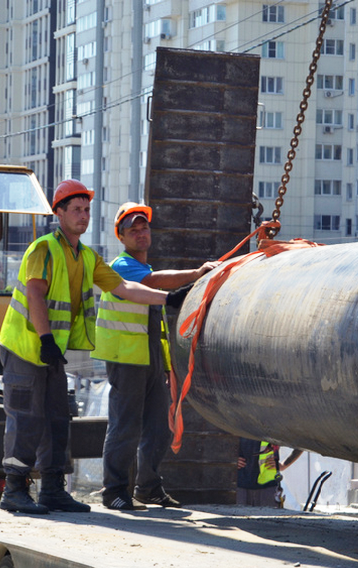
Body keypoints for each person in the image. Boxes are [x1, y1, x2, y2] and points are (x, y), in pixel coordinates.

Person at [0, 182, 190, 515]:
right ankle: (13, 489)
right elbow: (35, 293)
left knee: (58, 421)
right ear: (59, 213)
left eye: (87, 210)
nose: (83, 216)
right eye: (76, 209)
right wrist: (45, 339)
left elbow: (125, 287)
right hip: (26, 348)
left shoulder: (86, 257)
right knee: (26, 419)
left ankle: (52, 490)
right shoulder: (44, 249)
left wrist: (168, 299)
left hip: (50, 351)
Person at [92, 202, 219, 510]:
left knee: (159, 427)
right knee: (125, 426)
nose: (140, 233)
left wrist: (163, 363)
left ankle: (148, 487)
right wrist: (197, 274)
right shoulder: (122, 267)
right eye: (133, 230)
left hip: (149, 359)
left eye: (144, 228)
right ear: (121, 237)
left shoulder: (143, 268)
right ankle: (114, 491)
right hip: (125, 358)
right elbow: (155, 281)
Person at [237, 438, 303, 508]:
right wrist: (231, 459)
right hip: (239, 485)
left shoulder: (274, 431)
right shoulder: (239, 430)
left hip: (268, 486)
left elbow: (301, 442)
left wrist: (284, 465)